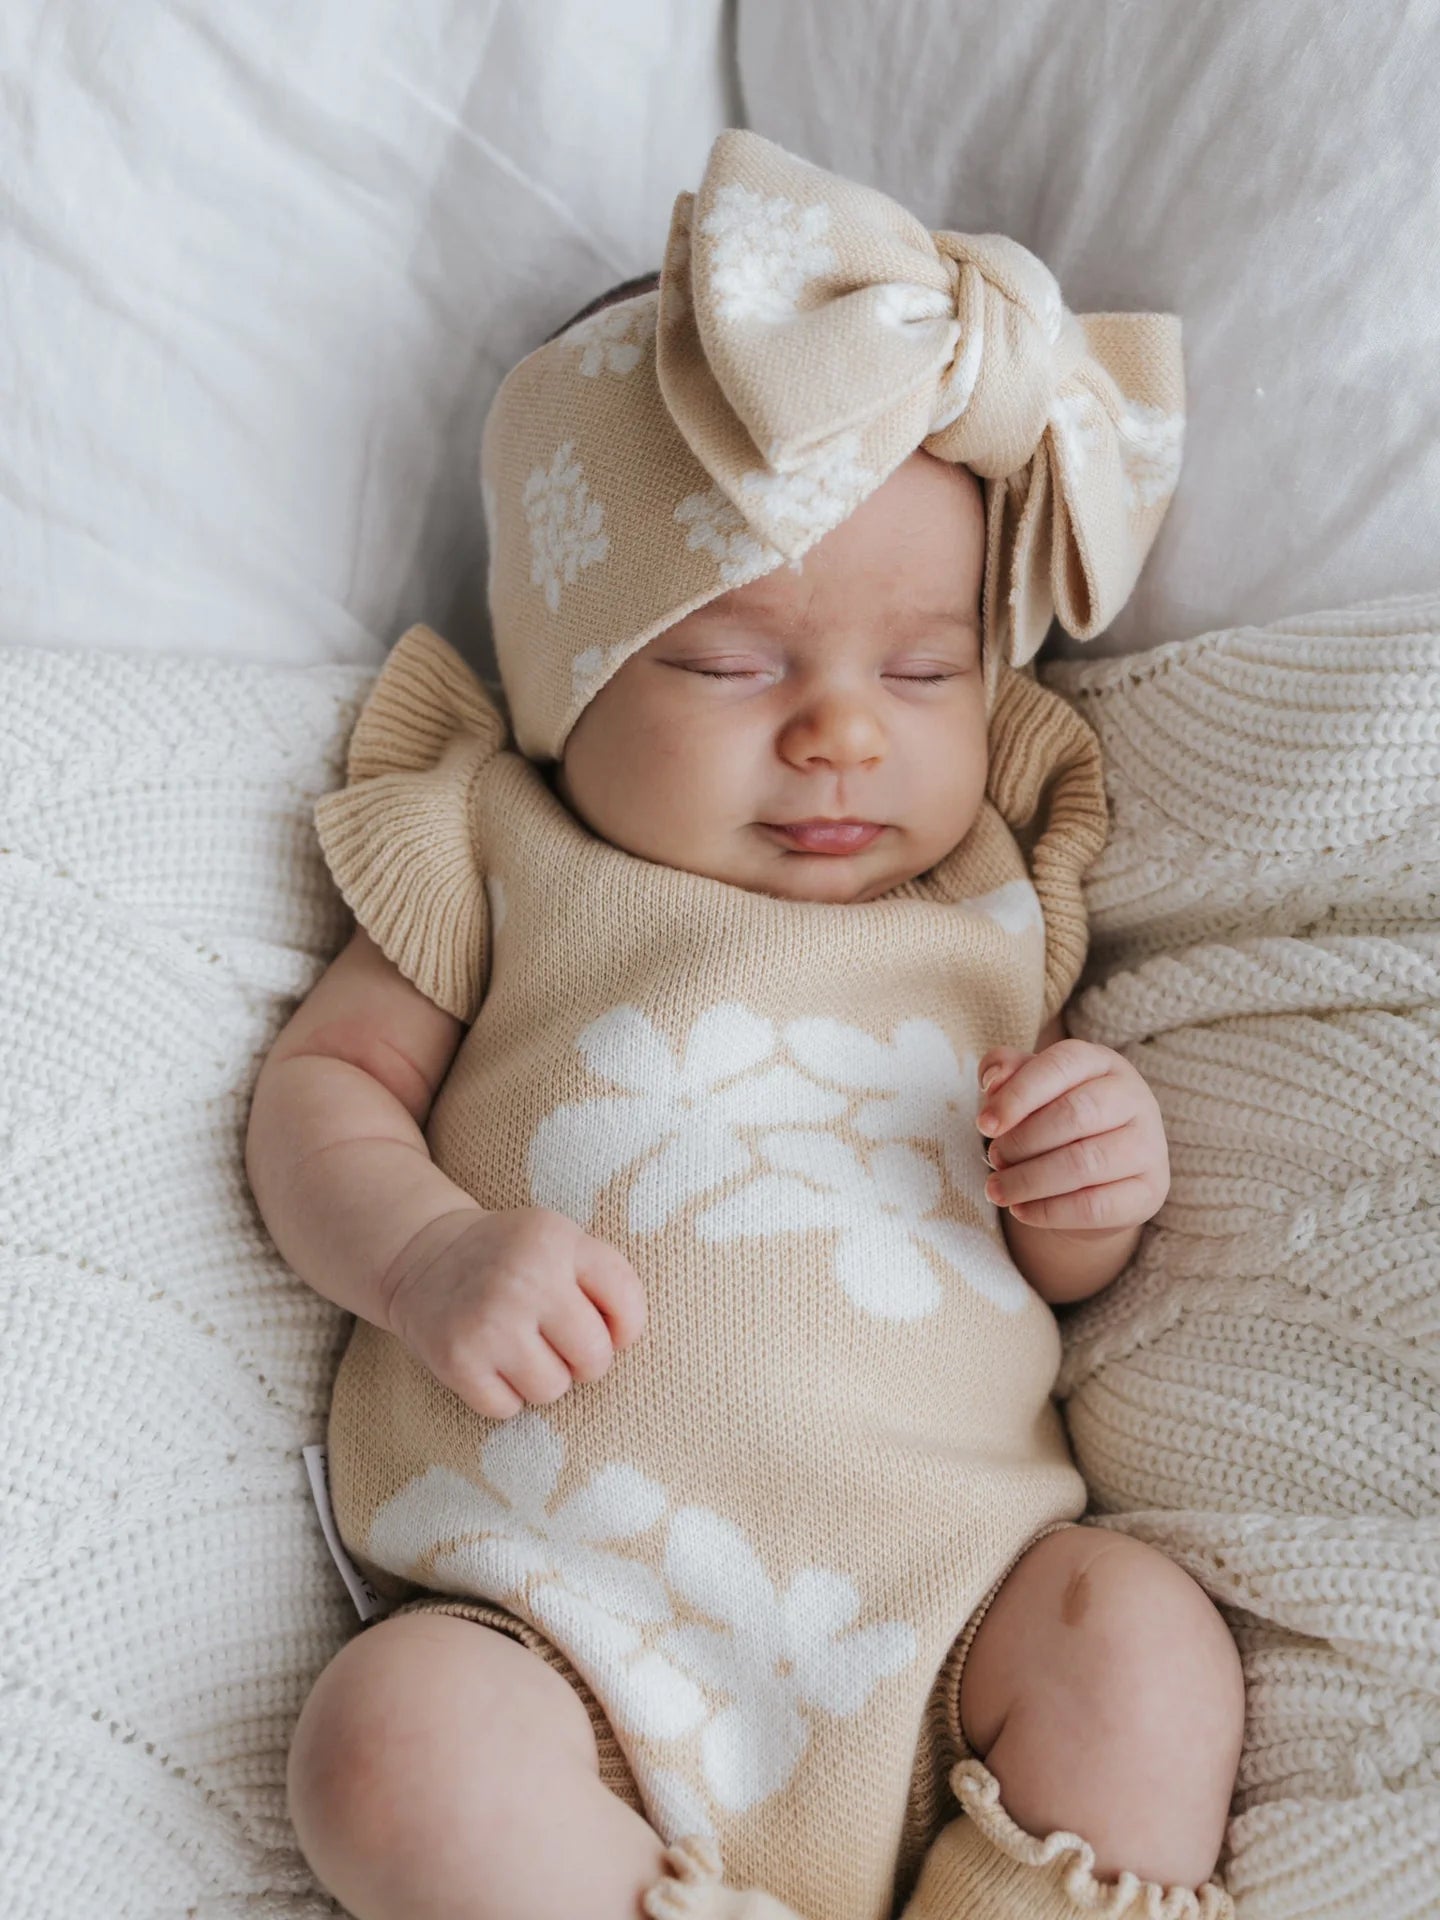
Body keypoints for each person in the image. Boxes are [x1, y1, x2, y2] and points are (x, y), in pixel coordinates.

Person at [245, 130, 1244, 1920]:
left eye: (924, 669)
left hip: (949, 1602)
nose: (846, 733)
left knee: (1146, 1641)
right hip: (562, 1632)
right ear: (568, 678)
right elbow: (324, 1088)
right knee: (384, 1746)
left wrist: (1091, 1175)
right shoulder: (495, 840)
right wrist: (425, 1258)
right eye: (730, 662)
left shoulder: (993, 894)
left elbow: (1064, 1263)